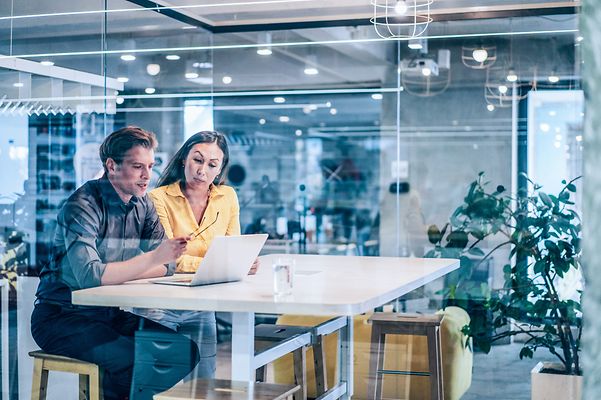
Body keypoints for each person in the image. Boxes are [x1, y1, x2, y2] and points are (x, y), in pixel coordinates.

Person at [31, 126, 199, 400]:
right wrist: (152, 259)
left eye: (150, 166)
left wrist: (140, 265)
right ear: (111, 165)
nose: (147, 176)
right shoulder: (82, 205)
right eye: (137, 167)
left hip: (106, 314)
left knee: (184, 352)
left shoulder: (143, 204)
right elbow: (90, 276)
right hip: (61, 317)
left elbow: (170, 265)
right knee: (135, 363)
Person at [143, 131, 256, 379]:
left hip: (203, 302)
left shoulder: (227, 197)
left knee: (204, 381)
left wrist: (241, 263)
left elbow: (232, 252)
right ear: (184, 159)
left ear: (220, 170)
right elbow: (168, 259)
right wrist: (223, 264)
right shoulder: (158, 198)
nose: (202, 170)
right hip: (161, 303)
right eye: (197, 160)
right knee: (158, 381)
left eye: (212, 164)